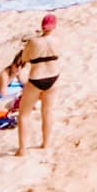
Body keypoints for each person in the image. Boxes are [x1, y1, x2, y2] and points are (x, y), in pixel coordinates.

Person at [15, 15, 59, 156]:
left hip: (36, 79)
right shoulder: (58, 41)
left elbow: (25, 59)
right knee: (47, 111)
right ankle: (46, 144)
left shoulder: (33, 42)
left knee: (24, 114)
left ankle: (22, 150)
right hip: (53, 77)